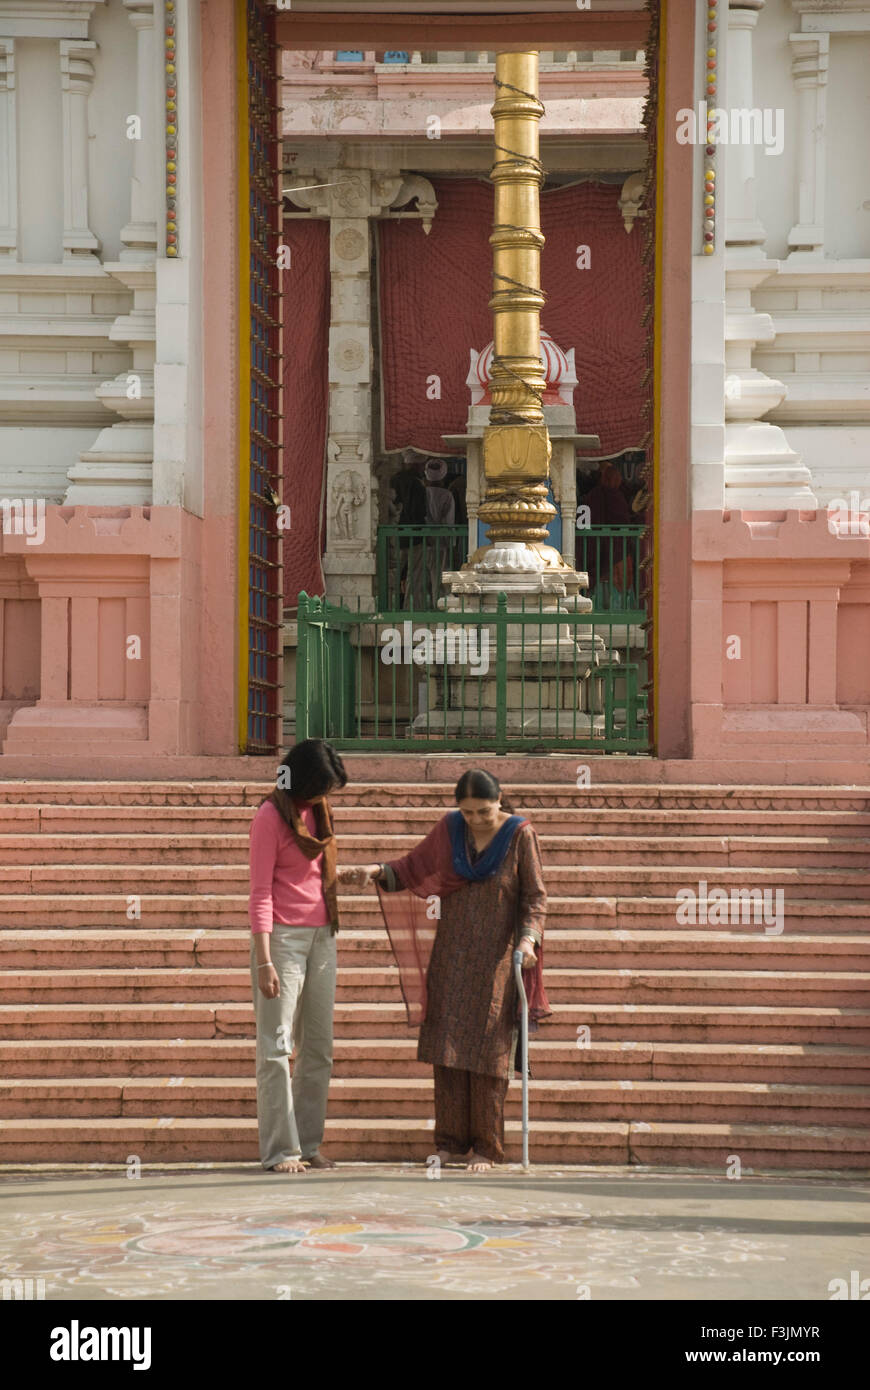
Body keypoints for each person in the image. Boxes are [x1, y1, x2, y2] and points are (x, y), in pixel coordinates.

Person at [352, 769, 550, 1172]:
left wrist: (528, 940)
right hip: (452, 955)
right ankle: (449, 1142)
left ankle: (487, 1148)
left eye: (483, 811)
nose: (475, 819)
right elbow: (413, 867)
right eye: (467, 812)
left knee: (489, 1054)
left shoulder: (519, 835)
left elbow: (535, 896)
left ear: (500, 802)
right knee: (448, 1050)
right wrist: (374, 871)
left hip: (497, 958)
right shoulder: (451, 829)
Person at [248, 738, 358, 1174]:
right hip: (282, 941)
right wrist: (264, 960)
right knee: (277, 1046)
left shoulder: (321, 814)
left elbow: (314, 873)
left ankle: (308, 1144)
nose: (323, 798)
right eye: (319, 789)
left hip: (323, 936)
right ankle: (281, 1151)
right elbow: (259, 893)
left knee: (319, 1048)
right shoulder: (269, 817)